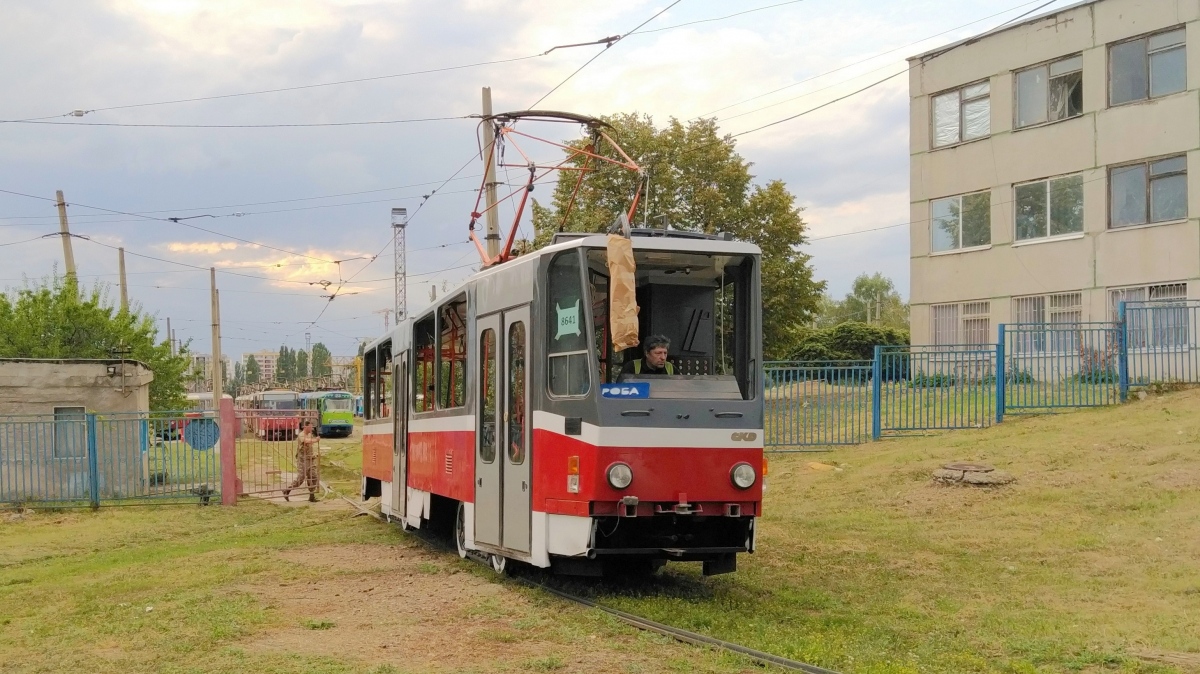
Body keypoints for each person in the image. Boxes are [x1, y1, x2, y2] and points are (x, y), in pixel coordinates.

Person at [283, 419, 319, 503]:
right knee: (301, 478)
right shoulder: (301, 435)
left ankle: (312, 495)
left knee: (313, 477)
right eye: (310, 427)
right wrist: (316, 440)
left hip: (310, 458)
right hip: (302, 460)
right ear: (305, 426)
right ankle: (287, 490)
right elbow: (306, 442)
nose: (311, 428)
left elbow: (310, 444)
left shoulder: (309, 434)